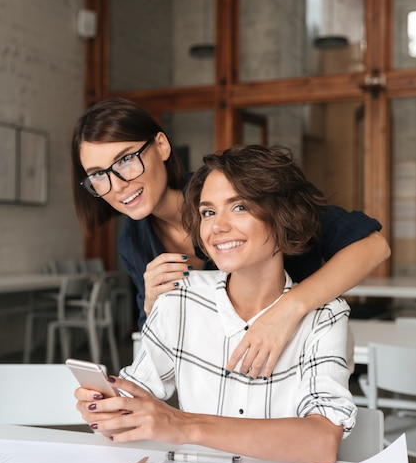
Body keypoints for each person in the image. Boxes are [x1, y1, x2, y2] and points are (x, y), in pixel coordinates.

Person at [75, 145, 356, 463]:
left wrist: (185, 425)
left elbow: (321, 442)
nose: (217, 226)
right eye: (208, 212)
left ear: (284, 217)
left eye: (239, 207)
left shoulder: (324, 315)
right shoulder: (177, 299)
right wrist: (108, 406)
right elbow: (134, 396)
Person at [71, 98, 390, 378]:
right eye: (99, 174)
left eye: (126, 159)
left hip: (299, 360)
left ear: (162, 146)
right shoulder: (133, 242)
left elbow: (373, 246)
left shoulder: (228, 187)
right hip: (224, 380)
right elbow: (160, 346)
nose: (117, 184)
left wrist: (288, 309)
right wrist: (153, 305)